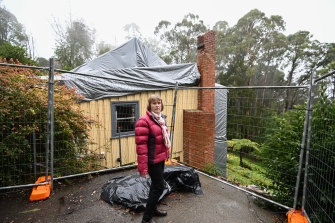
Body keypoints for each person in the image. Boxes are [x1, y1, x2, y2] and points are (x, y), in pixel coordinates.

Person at [135, 94, 171, 223]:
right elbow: (141, 147)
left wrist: (166, 154)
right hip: (151, 160)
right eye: (154, 103)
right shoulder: (143, 121)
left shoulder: (161, 119)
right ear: (149, 105)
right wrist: (143, 168)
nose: (157, 105)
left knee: (156, 186)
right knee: (158, 186)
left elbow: (162, 141)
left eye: (159, 103)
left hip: (160, 158)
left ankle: (153, 209)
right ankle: (146, 219)